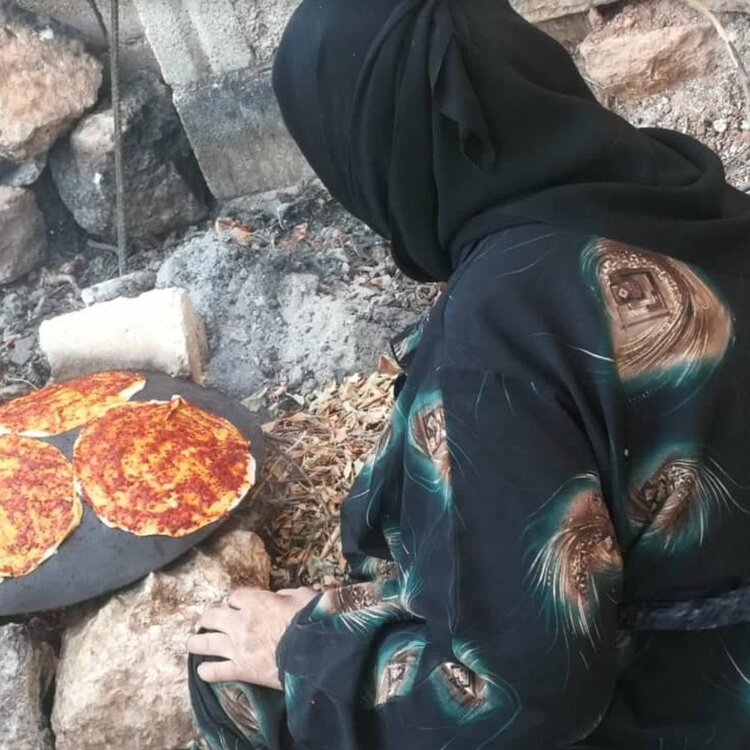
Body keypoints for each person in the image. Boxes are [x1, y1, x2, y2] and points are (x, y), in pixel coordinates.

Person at [187, 1, 750, 747]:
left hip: (697, 692)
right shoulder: (670, 183)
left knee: (226, 685)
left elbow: (525, 695)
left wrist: (300, 647)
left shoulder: (504, 324)